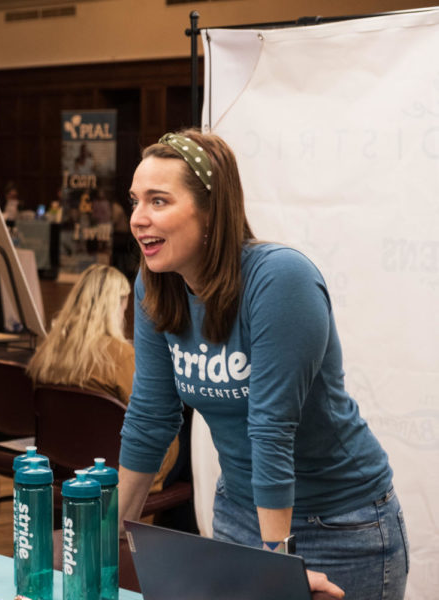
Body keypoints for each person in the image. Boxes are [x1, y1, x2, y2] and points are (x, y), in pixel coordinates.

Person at [119, 130, 407, 600]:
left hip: (340, 524)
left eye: (158, 201)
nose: (138, 219)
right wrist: (110, 537)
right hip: (240, 510)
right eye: (134, 202)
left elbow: (271, 429)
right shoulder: (156, 284)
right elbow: (150, 418)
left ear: (211, 211)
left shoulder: (279, 279)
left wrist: (277, 569)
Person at [26, 264, 179, 494]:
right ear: (114, 306)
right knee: (187, 436)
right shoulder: (121, 357)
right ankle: (167, 528)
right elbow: (152, 418)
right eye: (124, 305)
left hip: (65, 465)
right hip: (120, 473)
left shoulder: (49, 352)